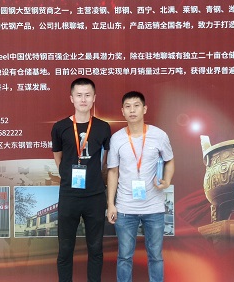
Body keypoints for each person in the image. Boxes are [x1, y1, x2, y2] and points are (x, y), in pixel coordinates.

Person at [106, 91, 175, 282]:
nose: (132, 110)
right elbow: (113, 172)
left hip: (154, 207)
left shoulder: (159, 135)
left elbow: (169, 160)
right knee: (124, 257)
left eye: (136, 105)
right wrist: (111, 204)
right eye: (127, 106)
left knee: (156, 256)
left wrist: (167, 180)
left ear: (144, 109)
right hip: (125, 208)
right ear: (122, 111)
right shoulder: (117, 139)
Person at [51, 77, 112, 282]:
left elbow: (106, 161)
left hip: (95, 196)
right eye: (79, 95)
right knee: (65, 248)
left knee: (95, 248)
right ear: (72, 98)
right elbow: (58, 158)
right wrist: (68, 176)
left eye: (87, 95)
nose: (83, 99)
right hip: (69, 195)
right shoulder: (60, 127)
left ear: (94, 98)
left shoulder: (103, 127)